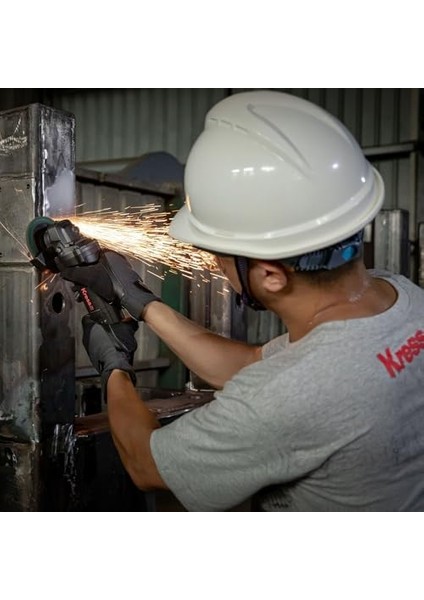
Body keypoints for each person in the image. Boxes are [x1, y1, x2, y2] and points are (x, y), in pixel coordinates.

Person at [62, 91, 424, 511]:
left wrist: (114, 367)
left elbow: (147, 465)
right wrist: (141, 302)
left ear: (270, 275)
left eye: (219, 255)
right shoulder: (400, 297)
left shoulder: (293, 395)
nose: (214, 264)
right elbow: (252, 364)